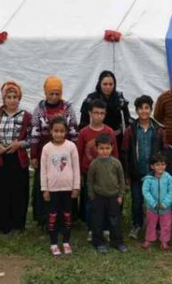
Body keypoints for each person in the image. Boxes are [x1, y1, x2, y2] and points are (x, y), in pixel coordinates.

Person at [30, 76, 79, 227]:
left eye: (57, 93)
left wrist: (73, 151)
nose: (54, 97)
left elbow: (73, 132)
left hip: (65, 152)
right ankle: (44, 218)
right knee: (45, 184)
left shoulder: (68, 108)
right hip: (45, 152)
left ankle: (67, 218)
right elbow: (34, 132)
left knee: (65, 184)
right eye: (51, 93)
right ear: (45, 93)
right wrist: (33, 154)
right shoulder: (39, 109)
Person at [0, 81, 32, 235]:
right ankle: (3, 223)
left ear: (19, 99)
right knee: (1, 191)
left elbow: (32, 138)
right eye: (9, 97)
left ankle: (17, 224)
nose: (12, 100)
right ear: (4, 99)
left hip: (18, 159)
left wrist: (20, 144)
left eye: (15, 97)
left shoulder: (26, 116)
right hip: (1, 158)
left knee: (18, 191)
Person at [122, 95, 165, 240]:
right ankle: (137, 225)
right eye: (141, 108)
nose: (144, 111)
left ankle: (156, 226)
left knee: (154, 200)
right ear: (136, 110)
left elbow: (164, 151)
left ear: (151, 109)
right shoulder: (130, 130)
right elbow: (126, 153)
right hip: (137, 173)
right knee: (136, 200)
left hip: (154, 174)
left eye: (147, 108)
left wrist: (161, 170)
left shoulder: (159, 130)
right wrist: (127, 174)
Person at [77, 99, 118, 238]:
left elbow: (115, 155)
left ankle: (106, 229)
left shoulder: (110, 132)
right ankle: (92, 229)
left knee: (106, 203)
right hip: (89, 173)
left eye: (102, 113)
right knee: (91, 203)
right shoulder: (83, 132)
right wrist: (80, 174)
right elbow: (79, 153)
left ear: (105, 114)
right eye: (96, 113)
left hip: (106, 174)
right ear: (90, 113)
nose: (98, 116)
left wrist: (116, 176)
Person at [40, 116, 80, 257]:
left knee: (67, 216)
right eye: (55, 131)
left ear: (66, 131)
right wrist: (45, 189)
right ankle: (53, 243)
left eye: (62, 131)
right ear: (51, 131)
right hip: (52, 190)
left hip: (68, 189)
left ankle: (66, 242)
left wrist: (76, 187)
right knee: (53, 216)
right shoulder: (46, 148)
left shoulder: (71, 146)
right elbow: (43, 170)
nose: (59, 134)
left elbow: (76, 168)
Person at [87, 133, 128, 253]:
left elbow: (121, 179)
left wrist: (120, 195)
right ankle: (98, 242)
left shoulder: (116, 163)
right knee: (97, 221)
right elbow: (90, 181)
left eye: (107, 148)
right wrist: (92, 197)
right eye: (101, 148)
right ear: (96, 148)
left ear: (112, 148)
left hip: (114, 197)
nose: (104, 151)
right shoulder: (94, 164)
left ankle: (117, 241)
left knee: (115, 220)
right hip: (98, 197)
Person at [79, 70, 131, 148]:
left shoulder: (119, 98)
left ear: (114, 84)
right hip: (95, 139)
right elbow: (83, 122)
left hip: (116, 139)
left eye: (111, 84)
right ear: (100, 84)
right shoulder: (91, 99)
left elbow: (127, 120)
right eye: (105, 84)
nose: (108, 87)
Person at [141, 152, 172, 251]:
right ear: (152, 166)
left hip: (166, 208)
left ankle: (164, 241)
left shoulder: (169, 179)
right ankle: (149, 239)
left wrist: (165, 204)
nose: (160, 167)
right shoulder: (148, 179)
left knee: (166, 225)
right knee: (150, 224)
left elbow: (171, 191)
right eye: (157, 164)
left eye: (163, 164)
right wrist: (154, 203)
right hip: (152, 208)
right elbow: (145, 192)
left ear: (166, 165)